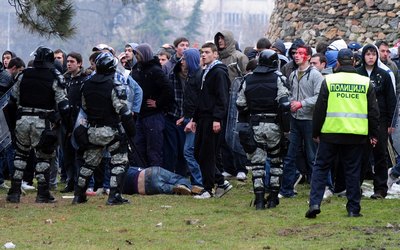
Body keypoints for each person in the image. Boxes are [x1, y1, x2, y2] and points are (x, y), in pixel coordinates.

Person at [306, 49, 380, 218]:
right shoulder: (365, 82)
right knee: (352, 171)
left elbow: (320, 110)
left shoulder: (329, 80)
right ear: (354, 62)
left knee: (321, 168)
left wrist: (315, 131)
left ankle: (315, 203)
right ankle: (353, 209)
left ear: (337, 63)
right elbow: (374, 112)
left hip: (330, 133)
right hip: (356, 134)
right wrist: (373, 134)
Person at [6, 46, 70, 203]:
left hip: (22, 120)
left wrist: (13, 126)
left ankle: (14, 193)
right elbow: (63, 105)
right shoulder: (55, 77)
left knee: (20, 155)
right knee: (44, 157)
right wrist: (67, 126)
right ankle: (42, 193)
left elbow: (11, 103)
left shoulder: (24, 74)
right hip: (42, 122)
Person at [73, 52, 136, 205]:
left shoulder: (85, 84)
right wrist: (131, 131)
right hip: (111, 130)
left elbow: (84, 107)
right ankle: (114, 196)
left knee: (89, 164)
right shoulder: (114, 85)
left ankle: (78, 195)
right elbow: (123, 111)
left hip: (92, 130)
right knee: (119, 162)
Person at [236, 49, 290, 209]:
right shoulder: (279, 78)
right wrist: (286, 128)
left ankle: (259, 199)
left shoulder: (248, 79)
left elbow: (240, 104)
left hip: (255, 125)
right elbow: (285, 103)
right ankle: (273, 198)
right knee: (276, 162)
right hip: (274, 124)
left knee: (257, 164)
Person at [280, 45, 324, 198]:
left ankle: (318, 190)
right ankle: (286, 190)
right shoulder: (292, 74)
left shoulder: (316, 75)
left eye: (300, 53)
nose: (296, 56)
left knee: (313, 156)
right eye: (295, 53)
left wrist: (301, 103)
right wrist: (291, 102)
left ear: (308, 57)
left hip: (310, 120)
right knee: (290, 155)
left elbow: (319, 97)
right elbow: (291, 93)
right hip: (295, 119)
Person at [190, 42, 232, 199]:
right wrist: (195, 118)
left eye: (207, 52)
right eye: (202, 52)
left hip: (212, 118)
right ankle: (220, 182)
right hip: (202, 118)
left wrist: (217, 118)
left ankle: (209, 188)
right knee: (198, 153)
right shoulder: (206, 71)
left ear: (215, 54)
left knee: (207, 154)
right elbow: (201, 97)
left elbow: (222, 97)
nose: (203, 55)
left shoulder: (219, 72)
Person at [356, 44, 396, 199]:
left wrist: (391, 123)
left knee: (380, 153)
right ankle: (355, 186)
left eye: (373, 54)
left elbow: (391, 99)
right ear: (363, 56)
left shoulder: (383, 74)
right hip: (360, 119)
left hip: (380, 119)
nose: (371, 57)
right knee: (360, 153)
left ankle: (380, 188)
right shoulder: (357, 74)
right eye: (368, 54)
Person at [132, 43, 173, 167]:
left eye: (138, 54)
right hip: (140, 115)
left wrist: (158, 103)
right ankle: (141, 179)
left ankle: (154, 179)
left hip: (153, 116)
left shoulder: (155, 70)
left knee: (154, 150)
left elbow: (168, 89)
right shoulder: (137, 69)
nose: (136, 56)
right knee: (139, 148)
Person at [122, 166, 192, 195]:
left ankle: (172, 189)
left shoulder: (114, 183)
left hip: (147, 187)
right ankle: (190, 187)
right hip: (151, 171)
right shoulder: (122, 167)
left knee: (169, 189)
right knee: (178, 178)